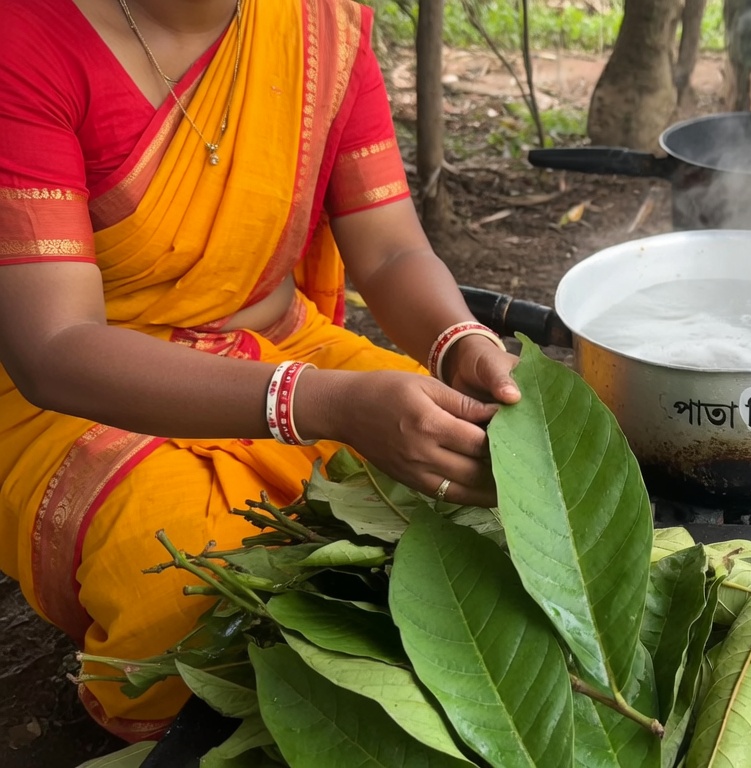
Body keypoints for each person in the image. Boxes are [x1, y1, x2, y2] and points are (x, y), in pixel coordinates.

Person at [0, 0, 521, 741]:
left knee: (479, 491)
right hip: (86, 393)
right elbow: (52, 346)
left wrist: (457, 342)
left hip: (284, 346)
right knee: (195, 590)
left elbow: (390, 249)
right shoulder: (25, 38)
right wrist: (325, 406)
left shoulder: (321, 24)